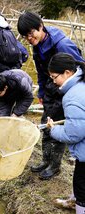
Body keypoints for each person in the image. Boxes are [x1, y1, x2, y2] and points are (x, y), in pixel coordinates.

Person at [17, 11, 85, 179]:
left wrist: (71, 97)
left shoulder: (62, 45)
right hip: (49, 89)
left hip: (64, 93)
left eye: (31, 33)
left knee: (58, 128)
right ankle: (46, 160)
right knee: (46, 125)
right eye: (26, 36)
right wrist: (41, 91)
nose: (29, 38)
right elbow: (41, 72)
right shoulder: (37, 45)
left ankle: (55, 165)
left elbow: (79, 71)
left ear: (41, 26)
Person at [47, 52, 85, 214]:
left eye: (55, 77)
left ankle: (79, 206)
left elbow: (73, 134)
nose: (54, 81)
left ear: (68, 73)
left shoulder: (72, 97)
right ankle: (73, 201)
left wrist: (53, 129)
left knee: (82, 186)